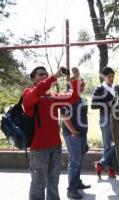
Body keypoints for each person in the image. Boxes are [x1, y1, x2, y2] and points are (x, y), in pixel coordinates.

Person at [22, 66, 81, 200]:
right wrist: (53, 77)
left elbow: (73, 97)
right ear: (33, 79)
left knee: (53, 182)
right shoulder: (29, 93)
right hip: (39, 149)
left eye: (45, 74)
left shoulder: (52, 96)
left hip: (55, 146)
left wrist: (75, 79)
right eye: (40, 75)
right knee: (38, 184)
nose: (44, 76)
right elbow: (38, 91)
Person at [61, 76, 90, 199]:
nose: (82, 87)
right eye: (79, 85)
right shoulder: (68, 96)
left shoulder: (81, 97)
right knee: (74, 161)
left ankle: (77, 183)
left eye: (83, 85)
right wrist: (73, 131)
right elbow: (64, 115)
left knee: (78, 160)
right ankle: (71, 190)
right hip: (73, 135)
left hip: (82, 133)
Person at [91, 67, 119, 179]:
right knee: (107, 145)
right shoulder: (99, 89)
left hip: (118, 118)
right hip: (105, 118)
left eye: (113, 76)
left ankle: (101, 164)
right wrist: (105, 104)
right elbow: (93, 105)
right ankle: (110, 170)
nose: (112, 79)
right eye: (109, 77)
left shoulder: (117, 87)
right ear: (103, 77)